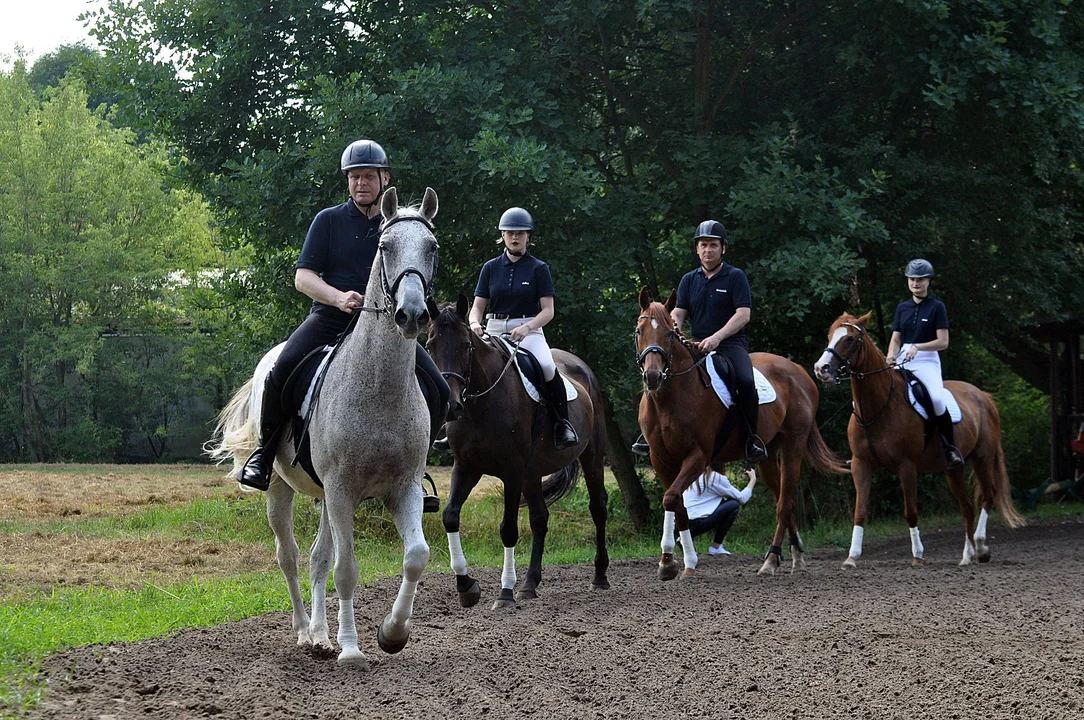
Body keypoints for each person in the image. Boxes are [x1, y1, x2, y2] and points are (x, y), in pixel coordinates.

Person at [237, 138, 449, 490]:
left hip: (387, 328)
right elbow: (302, 277)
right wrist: (337, 298)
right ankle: (264, 453)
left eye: (368, 176)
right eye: (354, 177)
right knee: (280, 372)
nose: (360, 183)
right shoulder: (328, 221)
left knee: (440, 390)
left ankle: (415, 469)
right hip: (331, 318)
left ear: (385, 178)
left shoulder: (400, 226)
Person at [438, 207, 577, 451]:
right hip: (493, 329)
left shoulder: (538, 269)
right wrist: (473, 324)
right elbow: (477, 306)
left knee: (546, 366)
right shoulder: (490, 268)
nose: (515, 238)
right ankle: (453, 426)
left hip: (529, 331)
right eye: (510, 233)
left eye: (520, 233)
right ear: (502, 235)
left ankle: (562, 423)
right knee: (469, 365)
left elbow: (548, 311)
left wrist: (526, 327)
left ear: (528, 236)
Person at [634, 220, 767, 461]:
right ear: (697, 249)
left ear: (723, 248)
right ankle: (648, 433)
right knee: (660, 371)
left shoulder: (735, 277)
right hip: (696, 344)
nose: (708, 250)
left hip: (730, 345)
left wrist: (717, 337)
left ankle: (751, 438)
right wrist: (674, 333)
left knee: (746, 381)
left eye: (713, 245)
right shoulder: (688, 280)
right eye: (703, 245)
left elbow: (743, 314)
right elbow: (678, 313)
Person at [885, 258, 964, 469]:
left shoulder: (937, 307)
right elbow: (895, 338)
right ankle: (868, 448)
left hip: (927, 359)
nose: (915, 284)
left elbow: (943, 342)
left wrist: (918, 347)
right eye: (911, 279)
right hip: (902, 357)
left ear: (928, 281)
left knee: (937, 399)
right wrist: (890, 355)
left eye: (920, 280)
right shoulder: (902, 308)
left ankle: (950, 448)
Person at [679, 468, 757, 554]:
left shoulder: (690, 476)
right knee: (733, 504)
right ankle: (716, 547)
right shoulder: (714, 477)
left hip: (681, 524)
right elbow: (742, 498)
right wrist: (753, 479)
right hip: (697, 524)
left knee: (718, 503)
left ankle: (685, 539)